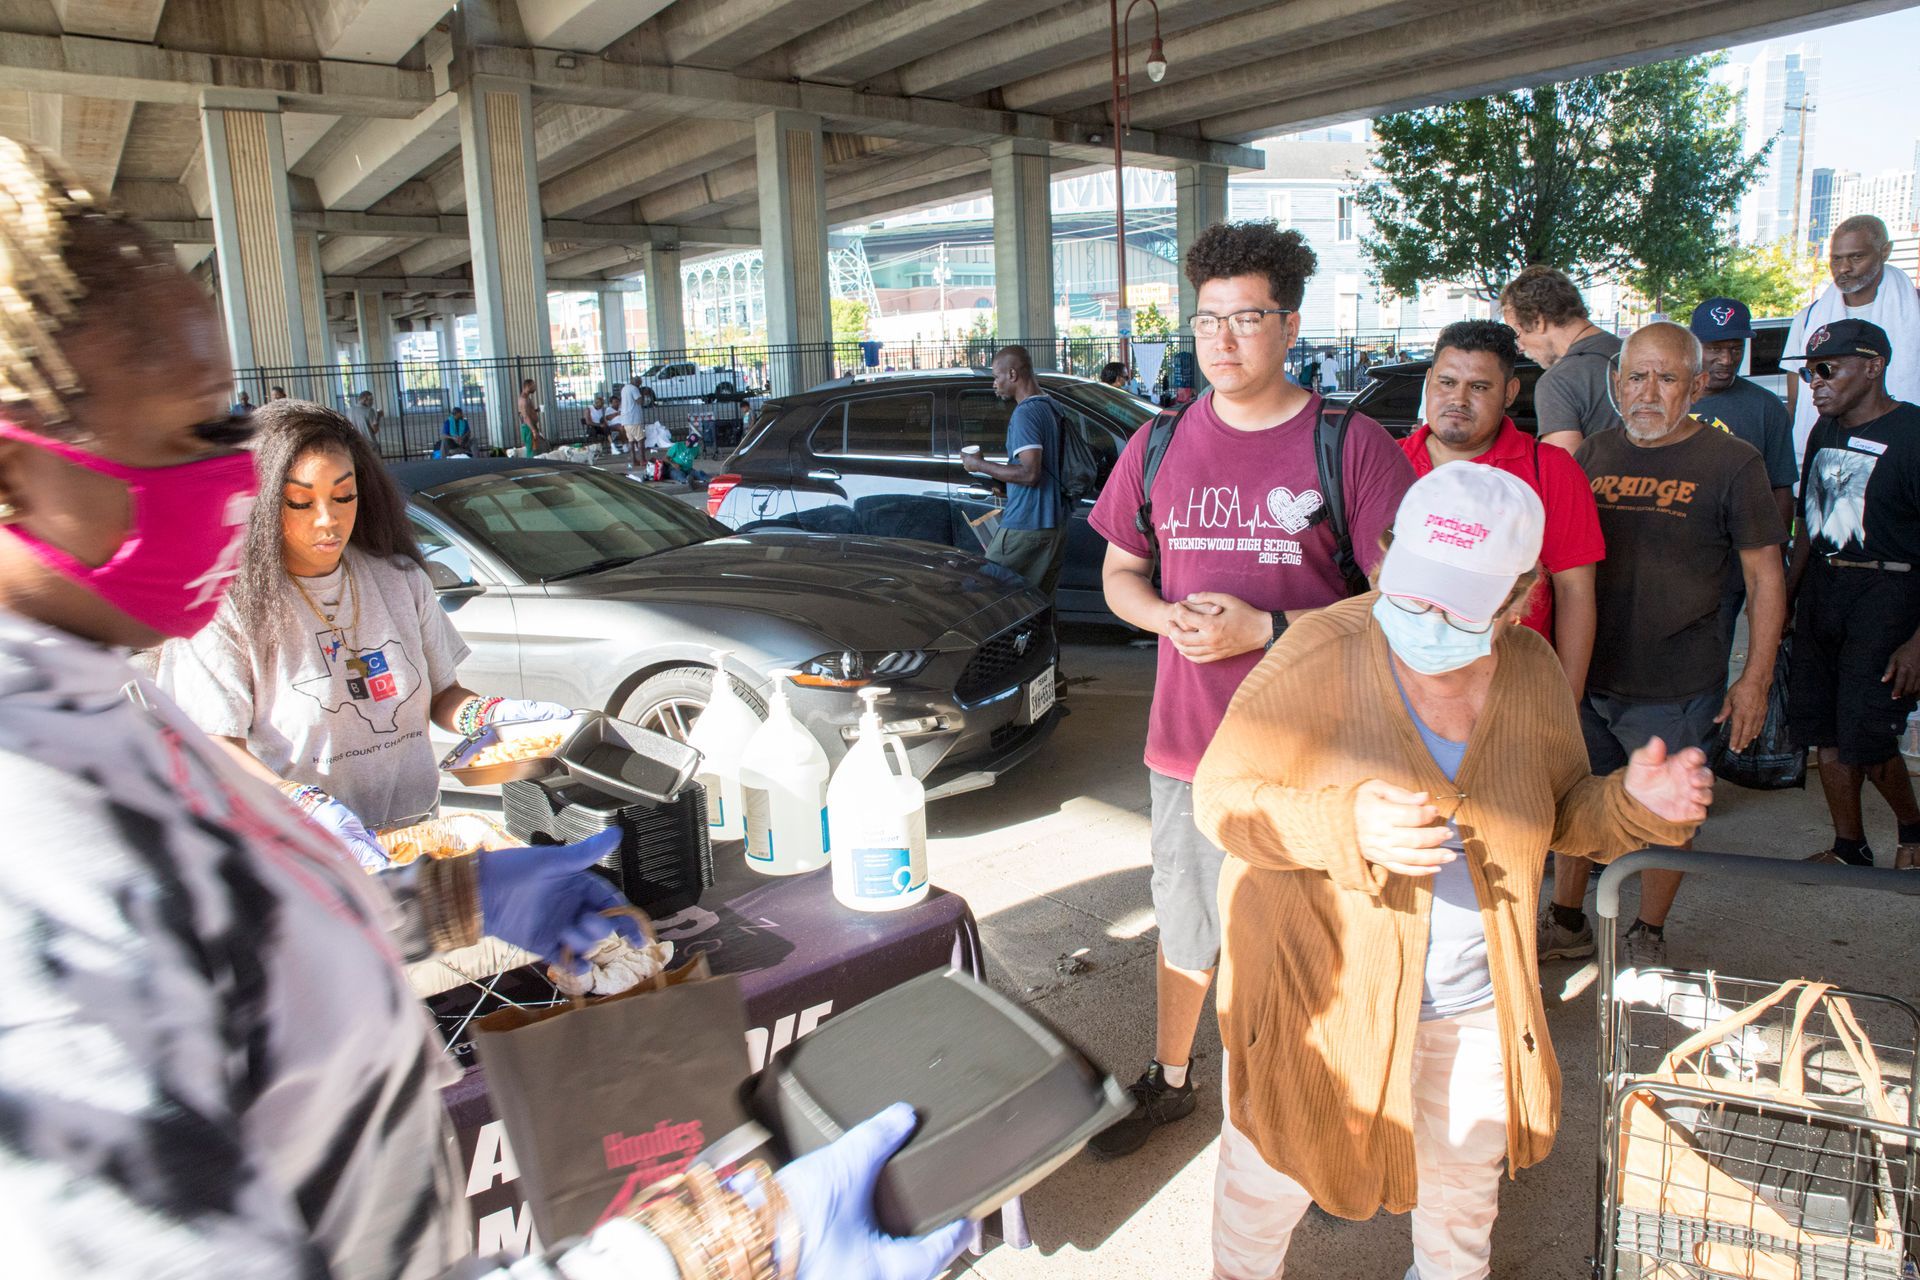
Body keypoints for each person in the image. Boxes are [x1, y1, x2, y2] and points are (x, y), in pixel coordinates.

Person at [0, 138, 965, 1280]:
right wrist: (707, 1252)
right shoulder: (35, 846)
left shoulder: (97, 697)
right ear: (18, 472)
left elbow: (234, 953)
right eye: (181, 437)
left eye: (229, 428)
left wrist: (455, 895)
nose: (231, 482)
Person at [1193, 464, 1710, 1280]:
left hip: (1475, 1003)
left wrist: (1635, 803)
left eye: (1459, 602)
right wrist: (1345, 822)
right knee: (1265, 1191)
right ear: (1387, 556)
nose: (1428, 616)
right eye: (1415, 588)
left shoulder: (1532, 671)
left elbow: (1562, 814)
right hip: (1317, 1001)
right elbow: (1220, 800)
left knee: (1462, 1212)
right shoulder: (1320, 649)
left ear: (1519, 598)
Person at [1086, 220, 1415, 1158]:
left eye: (1247, 319)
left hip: (1316, 754)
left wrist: (1264, 630)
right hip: (1189, 746)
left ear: (1291, 324)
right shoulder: (1155, 444)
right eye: (1206, 322)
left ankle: (1334, 1115)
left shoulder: (1351, 446)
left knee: (1320, 942)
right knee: (1186, 923)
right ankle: (1173, 1077)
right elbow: (1120, 574)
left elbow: (1403, 603)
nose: (1222, 343)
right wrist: (1165, 619)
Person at [1548, 322, 1787, 966]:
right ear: (1615, 381)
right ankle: (1566, 919)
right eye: (1635, 375)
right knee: (1575, 798)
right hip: (1585, 672)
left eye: (1666, 377)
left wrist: (1755, 679)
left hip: (1678, 681)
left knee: (1669, 816)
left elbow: (1766, 577)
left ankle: (1646, 931)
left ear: (1697, 384)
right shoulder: (1589, 455)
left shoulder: (1732, 462)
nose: (1647, 391)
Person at [1398, 320, 1604, 694]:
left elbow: (1575, 591)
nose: (1458, 399)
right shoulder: (1388, 465)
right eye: (1447, 382)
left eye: (1478, 387)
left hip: (1514, 690)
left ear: (1509, 392)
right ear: (1429, 381)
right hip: (1403, 690)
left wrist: (1567, 703)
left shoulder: (1551, 469)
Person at [1786, 320, 1920, 870]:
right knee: (1822, 726)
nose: (1814, 383)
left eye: (1827, 369)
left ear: (1873, 366)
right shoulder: (1824, 430)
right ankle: (1849, 846)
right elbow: (1804, 526)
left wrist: (1918, 641)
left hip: (1889, 592)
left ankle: (1914, 831)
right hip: (1823, 586)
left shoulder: (1913, 432)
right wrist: (1782, 608)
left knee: (1868, 728)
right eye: (1808, 371)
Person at [1688, 296, 1798, 656]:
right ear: (1693, 345)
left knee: (1710, 662)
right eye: (1714, 348)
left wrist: (1772, 575)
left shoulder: (1766, 408)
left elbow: (1781, 491)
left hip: (1732, 570)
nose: (1726, 359)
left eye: (1735, 348)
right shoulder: (1670, 397)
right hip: (1670, 560)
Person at [1784, 215, 1920, 465]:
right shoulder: (1808, 319)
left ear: (1885, 251)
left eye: (1856, 257)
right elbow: (1796, 404)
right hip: (1824, 454)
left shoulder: (1914, 311)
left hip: (1902, 457)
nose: (1844, 268)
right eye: (1836, 259)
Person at [961, 345, 1071, 596]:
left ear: (1012, 375)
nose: (994, 384)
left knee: (986, 596)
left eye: (996, 377)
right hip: (1054, 524)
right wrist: (1003, 480)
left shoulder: (1025, 414)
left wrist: (977, 464)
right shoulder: (1052, 407)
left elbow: (1031, 473)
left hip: (1026, 524)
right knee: (1037, 603)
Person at [1500, 265, 1621, 450]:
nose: (1520, 346)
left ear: (1537, 321)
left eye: (1518, 332)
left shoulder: (1557, 382)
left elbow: (1561, 471)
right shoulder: (1630, 350)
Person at [615, 371, 645, 453]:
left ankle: (634, 460)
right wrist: (642, 394)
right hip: (634, 418)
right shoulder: (634, 388)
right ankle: (642, 459)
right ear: (637, 383)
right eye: (639, 384)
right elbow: (640, 401)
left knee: (631, 440)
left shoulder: (624, 388)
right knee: (640, 439)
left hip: (625, 419)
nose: (640, 385)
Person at [516, 377, 543, 455]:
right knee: (532, 451)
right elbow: (525, 416)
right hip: (528, 428)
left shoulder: (526, 398)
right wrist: (533, 430)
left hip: (530, 427)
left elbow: (527, 412)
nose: (535, 388)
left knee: (534, 449)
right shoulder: (523, 400)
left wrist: (536, 410)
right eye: (533, 386)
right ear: (528, 387)